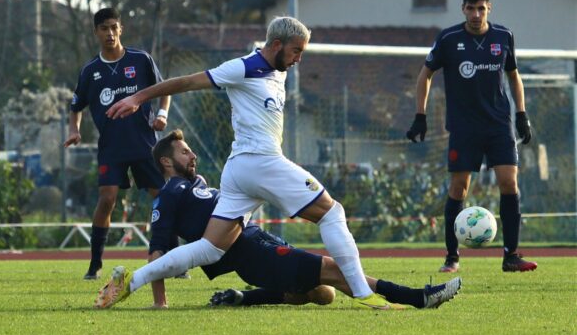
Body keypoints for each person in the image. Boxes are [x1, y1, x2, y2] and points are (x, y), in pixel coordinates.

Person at [100, 16, 393, 310]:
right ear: (276, 44)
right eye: (295, 51)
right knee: (332, 212)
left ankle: (131, 281)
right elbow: (188, 81)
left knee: (210, 248)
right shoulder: (242, 67)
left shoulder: (279, 71)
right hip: (260, 162)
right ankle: (363, 292)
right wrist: (139, 96)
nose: (298, 59)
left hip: (242, 169)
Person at [95, 129, 462, 310]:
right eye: (185, 151)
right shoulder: (168, 196)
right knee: (334, 268)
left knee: (323, 294)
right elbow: (158, 252)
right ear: (165, 162)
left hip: (261, 246)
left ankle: (242, 298)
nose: (192, 156)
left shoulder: (201, 184)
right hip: (251, 255)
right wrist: (160, 303)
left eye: (190, 150)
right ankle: (418, 298)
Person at [406, 0, 537, 273]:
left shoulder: (503, 36)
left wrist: (522, 114)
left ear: (489, 8)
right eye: (471, 8)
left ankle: (511, 256)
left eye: (481, 8)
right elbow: (425, 74)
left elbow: (514, 77)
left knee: (509, 183)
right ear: (463, 8)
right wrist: (420, 115)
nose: (476, 14)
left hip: (499, 124)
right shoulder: (449, 39)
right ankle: (452, 258)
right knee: (458, 187)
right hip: (464, 128)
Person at [64, 7, 172, 279]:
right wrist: (74, 130)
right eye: (104, 28)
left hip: (145, 144)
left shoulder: (141, 59)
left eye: (114, 27)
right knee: (107, 199)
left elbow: (165, 90)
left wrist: (161, 115)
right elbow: (76, 105)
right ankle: (95, 264)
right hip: (111, 148)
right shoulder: (90, 70)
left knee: (162, 200)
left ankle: (170, 258)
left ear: (121, 29)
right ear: (96, 32)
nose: (110, 33)